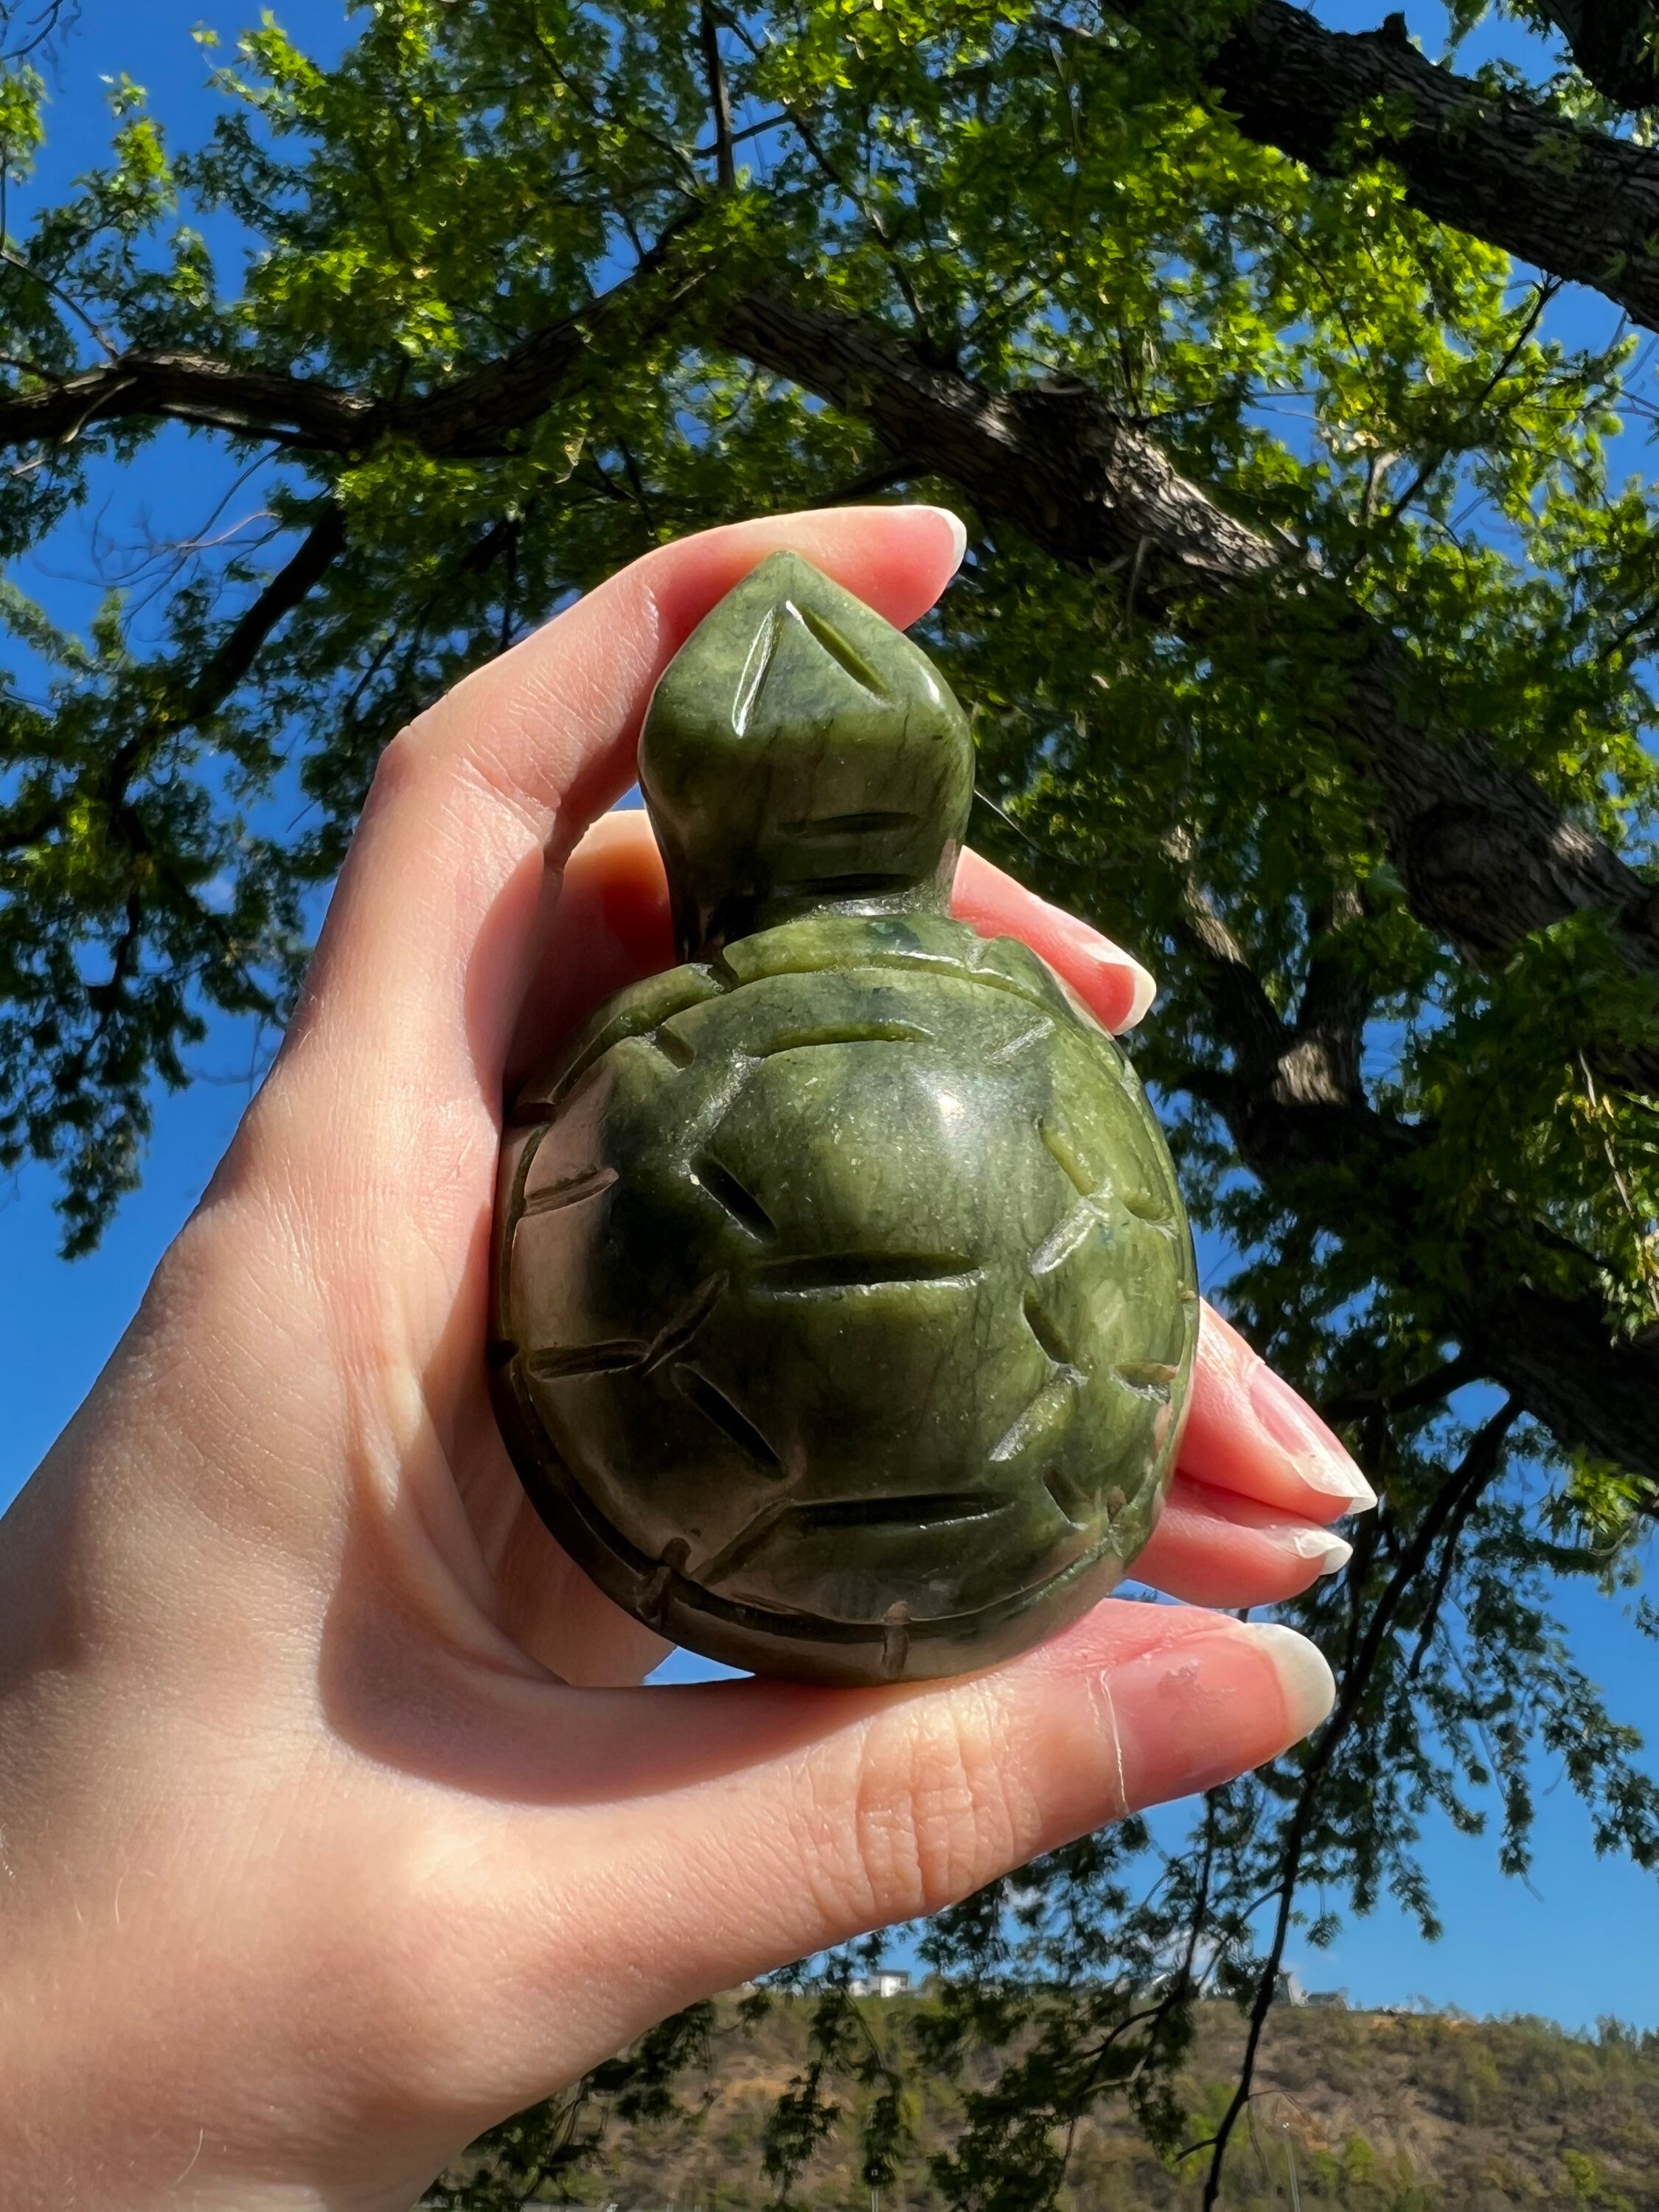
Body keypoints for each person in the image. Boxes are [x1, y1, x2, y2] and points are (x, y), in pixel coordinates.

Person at [0, 507, 1373, 2211]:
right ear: (935, 800)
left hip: (690, 1533)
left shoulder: (622, 1049)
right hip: (972, 1523)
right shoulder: (1015, 1001)